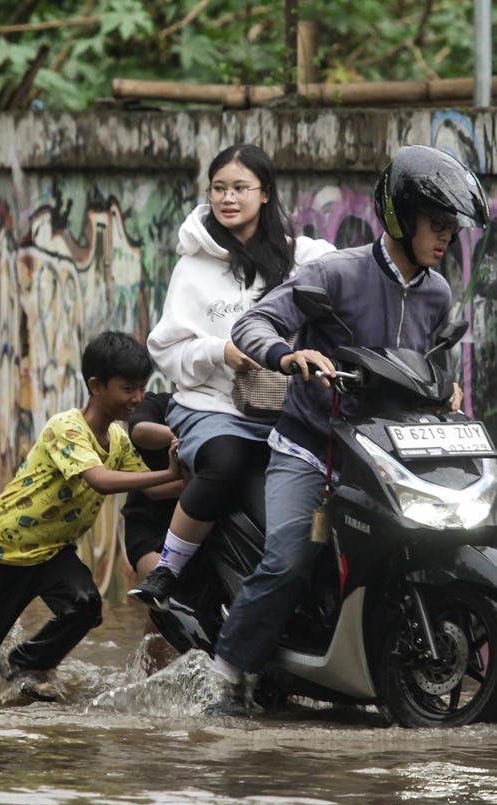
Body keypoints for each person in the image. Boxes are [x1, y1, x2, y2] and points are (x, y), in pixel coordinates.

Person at [210, 144, 489, 715]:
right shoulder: (334, 273)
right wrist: (289, 357)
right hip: (311, 449)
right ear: (400, 218)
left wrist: (451, 390)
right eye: (436, 225)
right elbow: (255, 323)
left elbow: (433, 365)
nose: (445, 239)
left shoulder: (436, 291)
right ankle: (229, 674)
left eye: (450, 229)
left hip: (384, 454)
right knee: (289, 557)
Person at [128, 143, 334, 611]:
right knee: (225, 461)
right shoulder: (193, 267)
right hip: (212, 407)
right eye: (219, 188)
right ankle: (168, 568)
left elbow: (354, 283)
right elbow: (166, 347)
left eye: (240, 188)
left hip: (288, 409)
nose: (228, 198)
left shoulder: (303, 258)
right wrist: (221, 351)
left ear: (265, 194)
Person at [0, 331, 181, 701]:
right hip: (4, 550)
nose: (138, 399)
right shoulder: (67, 427)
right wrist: (172, 474)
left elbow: (153, 490)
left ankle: (24, 662)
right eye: (128, 388)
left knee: (84, 606)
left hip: (52, 550)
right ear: (96, 386)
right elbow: (100, 480)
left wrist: (197, 483)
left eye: (142, 388)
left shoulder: (119, 440)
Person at [122, 391, 186, 672]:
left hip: (206, 533)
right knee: (168, 599)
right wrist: (186, 434)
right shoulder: (160, 404)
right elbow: (139, 430)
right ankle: (147, 677)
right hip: (150, 528)